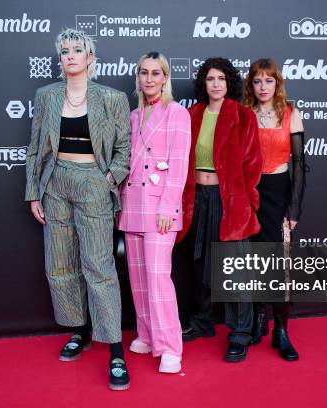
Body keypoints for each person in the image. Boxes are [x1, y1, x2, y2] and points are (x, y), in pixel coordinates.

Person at [24, 28, 131, 390]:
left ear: (89, 58)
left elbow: (124, 150)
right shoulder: (47, 96)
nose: (70, 55)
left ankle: (115, 350)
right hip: (56, 183)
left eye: (77, 50)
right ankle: (79, 331)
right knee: (61, 264)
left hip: (92, 182)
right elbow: (36, 148)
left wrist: (108, 180)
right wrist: (34, 193)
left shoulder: (112, 98)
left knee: (98, 266)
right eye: (64, 50)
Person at [177, 57, 262, 362]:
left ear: (229, 84)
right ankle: (202, 322)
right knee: (200, 265)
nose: (216, 84)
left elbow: (253, 166)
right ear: (204, 83)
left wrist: (247, 204)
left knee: (234, 269)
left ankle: (240, 332)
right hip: (197, 197)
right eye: (211, 79)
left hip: (230, 200)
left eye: (221, 79)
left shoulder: (242, 116)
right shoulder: (192, 114)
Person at [118, 52, 191, 374]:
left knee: (158, 278)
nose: (149, 79)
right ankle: (146, 334)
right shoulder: (133, 117)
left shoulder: (176, 113)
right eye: (143, 73)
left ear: (165, 78)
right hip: (132, 203)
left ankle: (171, 346)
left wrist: (168, 207)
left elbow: (179, 165)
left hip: (160, 206)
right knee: (138, 277)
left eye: (155, 73)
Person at [243, 58, 307, 362]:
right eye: (258, 80)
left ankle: (281, 329)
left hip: (279, 191)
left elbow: (298, 164)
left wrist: (294, 209)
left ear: (277, 83)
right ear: (251, 85)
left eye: (269, 80)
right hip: (249, 192)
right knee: (254, 258)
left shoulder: (291, 114)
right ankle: (259, 320)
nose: (263, 86)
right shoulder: (244, 114)